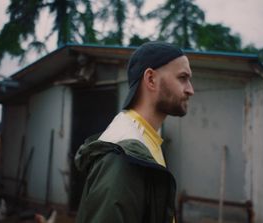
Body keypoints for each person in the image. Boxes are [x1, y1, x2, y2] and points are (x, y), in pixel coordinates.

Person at [74, 41, 194, 223]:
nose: (190, 90)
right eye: (182, 78)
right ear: (151, 79)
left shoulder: (145, 140)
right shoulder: (122, 156)